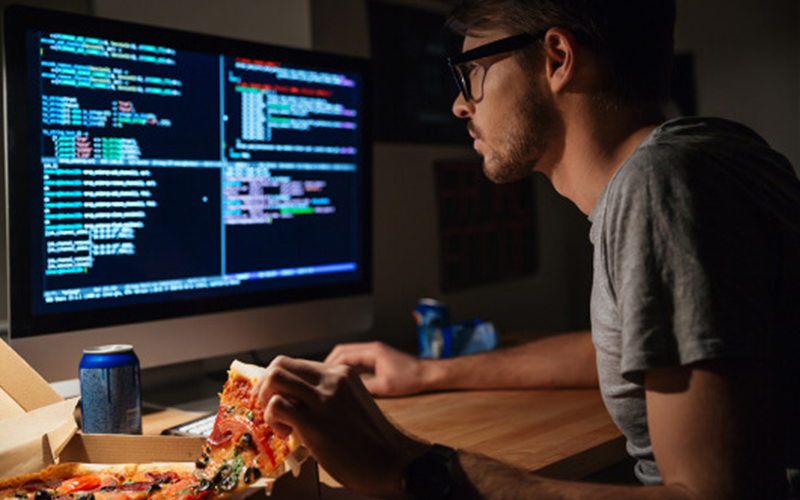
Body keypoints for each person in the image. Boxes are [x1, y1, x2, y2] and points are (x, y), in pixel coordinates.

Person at [252, 0, 800, 498]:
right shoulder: (716, 153)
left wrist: (404, 463)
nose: (460, 105)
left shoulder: (658, 186)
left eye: (472, 73)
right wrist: (427, 373)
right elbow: (641, 344)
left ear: (557, 58)